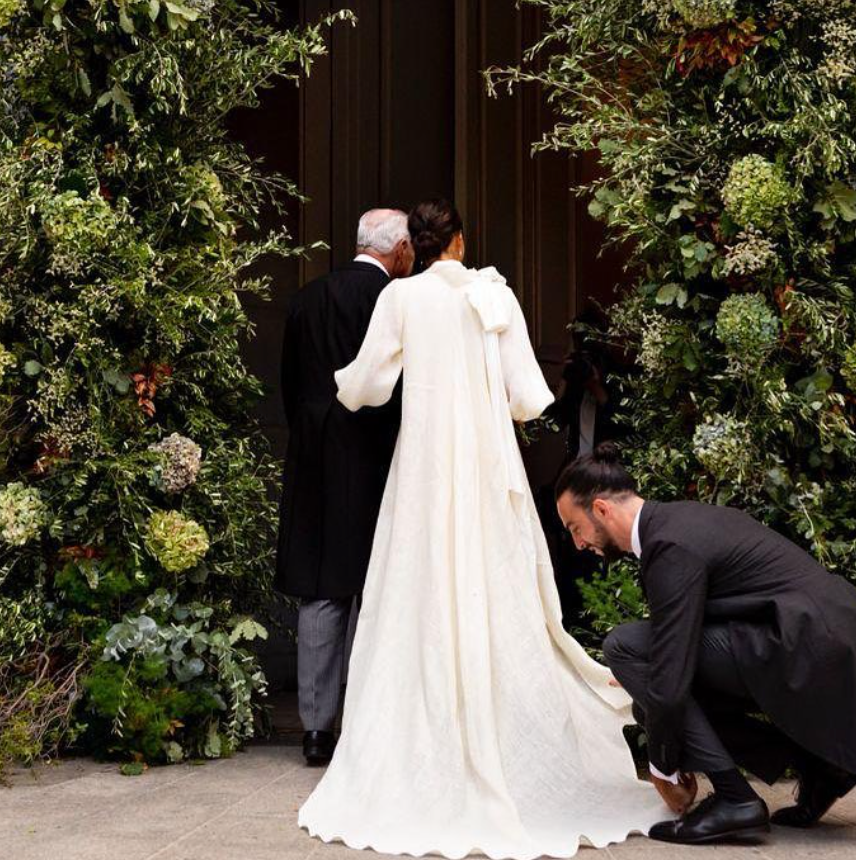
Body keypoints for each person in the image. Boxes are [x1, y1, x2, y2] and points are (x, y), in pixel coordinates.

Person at [298, 199, 669, 859]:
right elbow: (528, 396)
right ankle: (509, 739)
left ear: (414, 246)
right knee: (499, 595)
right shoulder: (493, 295)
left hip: (423, 474)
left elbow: (364, 389)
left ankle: (421, 742)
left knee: (418, 592)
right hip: (485, 471)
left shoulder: (402, 301)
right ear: (462, 241)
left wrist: (343, 380)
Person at [554, 442, 856, 846]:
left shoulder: (670, 545)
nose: (578, 543)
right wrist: (650, 676)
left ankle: (736, 800)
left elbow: (671, 675)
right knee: (650, 694)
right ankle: (819, 770)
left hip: (805, 649)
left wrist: (662, 769)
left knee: (625, 647)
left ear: (602, 510)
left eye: (576, 528)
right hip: (810, 645)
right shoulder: (677, 525)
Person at [276, 208, 414, 765]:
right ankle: (366, 723)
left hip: (313, 459)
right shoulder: (394, 302)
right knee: (376, 590)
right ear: (399, 248)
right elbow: (403, 389)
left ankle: (314, 729)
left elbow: (289, 384)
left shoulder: (307, 298)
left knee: (321, 591)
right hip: (376, 462)